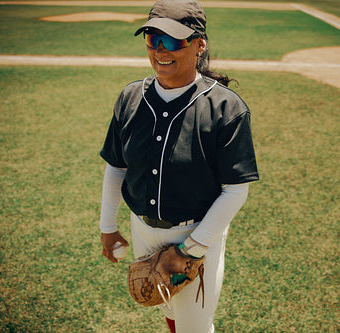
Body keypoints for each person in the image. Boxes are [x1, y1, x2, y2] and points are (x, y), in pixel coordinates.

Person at [98, 0, 259, 332]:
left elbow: (235, 191)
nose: (160, 50)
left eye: (172, 40)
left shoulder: (225, 108)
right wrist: (107, 227)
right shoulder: (131, 97)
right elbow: (117, 167)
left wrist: (189, 249)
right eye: (153, 39)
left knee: (194, 328)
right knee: (168, 307)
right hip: (142, 228)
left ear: (200, 44)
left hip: (197, 234)